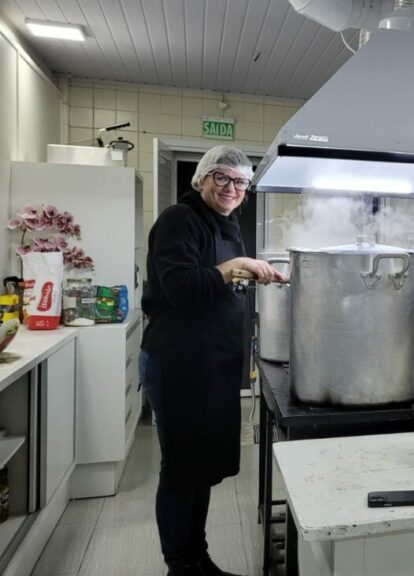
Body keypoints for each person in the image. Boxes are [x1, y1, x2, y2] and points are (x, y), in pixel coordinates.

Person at [139, 145, 285, 576]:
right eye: (222, 178)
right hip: (179, 361)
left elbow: (220, 281)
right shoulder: (179, 220)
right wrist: (238, 264)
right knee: (182, 469)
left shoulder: (226, 222)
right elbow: (182, 287)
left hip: (211, 362)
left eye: (240, 182)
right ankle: (180, 564)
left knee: (200, 468)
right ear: (200, 178)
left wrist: (263, 272)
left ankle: (197, 557)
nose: (232, 188)